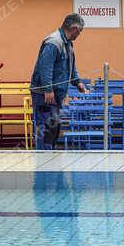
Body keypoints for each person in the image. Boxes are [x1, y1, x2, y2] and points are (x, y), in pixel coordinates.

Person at [30, 13, 87, 150]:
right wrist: (48, 90)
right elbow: (46, 67)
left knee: (53, 129)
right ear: (74, 28)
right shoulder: (54, 42)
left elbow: (70, 67)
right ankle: (42, 161)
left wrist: (77, 82)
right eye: (80, 31)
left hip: (56, 96)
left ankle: (49, 158)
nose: (79, 34)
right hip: (44, 95)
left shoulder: (67, 44)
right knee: (44, 130)